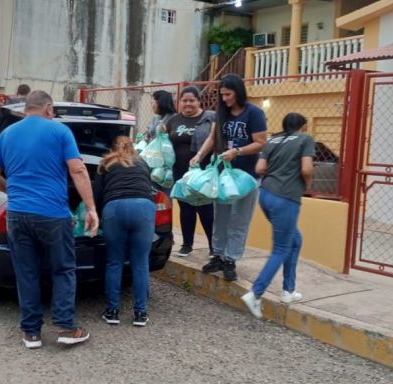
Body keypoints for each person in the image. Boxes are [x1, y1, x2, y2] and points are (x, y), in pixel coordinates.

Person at [0, 90, 98, 350]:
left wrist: (12, 190)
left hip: (17, 215)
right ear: (48, 109)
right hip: (53, 215)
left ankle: (31, 333)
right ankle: (66, 327)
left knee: (27, 272)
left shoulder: (7, 134)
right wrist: (91, 207)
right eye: (53, 111)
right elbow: (78, 169)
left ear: (26, 109)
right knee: (63, 269)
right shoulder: (59, 132)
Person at [190, 73, 267, 281]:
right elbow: (213, 137)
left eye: (228, 94)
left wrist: (238, 152)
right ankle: (218, 255)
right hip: (223, 175)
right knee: (221, 217)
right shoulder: (220, 114)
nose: (225, 99)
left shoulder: (254, 113)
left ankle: (231, 260)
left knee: (239, 219)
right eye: (222, 95)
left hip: (246, 175)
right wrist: (199, 155)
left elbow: (260, 142)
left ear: (238, 92)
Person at [241, 113, 315, 318]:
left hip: (266, 195)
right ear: (302, 126)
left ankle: (288, 290)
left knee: (295, 240)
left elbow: (260, 167)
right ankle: (256, 293)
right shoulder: (305, 139)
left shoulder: (272, 139)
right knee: (281, 247)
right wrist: (306, 183)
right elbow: (307, 168)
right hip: (286, 198)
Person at [94, 135, 156, 327]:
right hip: (143, 208)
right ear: (133, 147)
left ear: (112, 148)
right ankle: (140, 314)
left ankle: (112, 312)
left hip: (114, 208)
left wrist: (96, 216)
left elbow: (97, 195)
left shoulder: (105, 163)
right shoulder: (143, 163)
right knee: (140, 263)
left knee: (114, 262)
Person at [165, 85, 216, 258]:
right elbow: (164, 142)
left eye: (192, 100)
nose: (188, 104)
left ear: (198, 101)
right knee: (186, 208)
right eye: (184, 100)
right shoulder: (173, 120)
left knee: (206, 210)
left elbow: (215, 140)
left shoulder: (209, 118)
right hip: (180, 172)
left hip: (202, 173)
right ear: (180, 102)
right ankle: (187, 245)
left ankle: (213, 246)